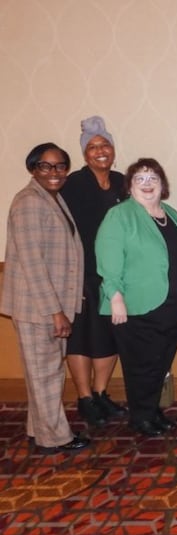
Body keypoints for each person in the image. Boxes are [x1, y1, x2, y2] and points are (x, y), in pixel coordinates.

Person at [96, 158, 177, 437]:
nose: (147, 183)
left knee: (160, 362)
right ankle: (140, 417)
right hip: (137, 306)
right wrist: (115, 296)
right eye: (139, 178)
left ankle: (151, 410)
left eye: (153, 177)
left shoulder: (170, 214)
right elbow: (108, 259)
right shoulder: (120, 215)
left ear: (163, 185)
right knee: (141, 364)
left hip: (173, 304)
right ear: (129, 187)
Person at [0, 143, 90, 454]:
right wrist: (55, 312)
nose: (54, 172)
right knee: (47, 373)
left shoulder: (52, 198)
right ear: (32, 168)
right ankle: (55, 438)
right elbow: (32, 263)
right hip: (38, 308)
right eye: (45, 166)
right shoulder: (28, 203)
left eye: (60, 166)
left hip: (47, 306)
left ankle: (37, 428)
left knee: (42, 371)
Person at [61, 116, 128, 427]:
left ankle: (101, 394)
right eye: (93, 147)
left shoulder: (121, 182)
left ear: (113, 150)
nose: (100, 151)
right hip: (81, 273)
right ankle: (85, 397)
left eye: (105, 145)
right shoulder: (73, 184)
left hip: (115, 273)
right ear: (84, 154)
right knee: (81, 337)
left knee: (110, 335)